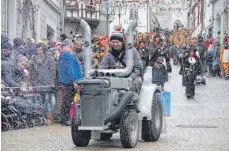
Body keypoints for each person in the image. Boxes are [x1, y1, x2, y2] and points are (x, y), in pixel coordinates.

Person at [30, 44, 57, 125]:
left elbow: (53, 70)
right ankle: (42, 117)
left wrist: (52, 82)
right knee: (40, 101)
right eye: (37, 50)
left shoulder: (49, 58)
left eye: (40, 50)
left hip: (47, 83)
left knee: (48, 100)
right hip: (38, 83)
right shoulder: (34, 59)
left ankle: (49, 117)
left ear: (44, 50)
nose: (39, 52)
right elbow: (33, 71)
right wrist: (33, 82)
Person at [57, 39, 82, 126]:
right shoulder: (67, 54)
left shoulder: (68, 53)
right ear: (69, 45)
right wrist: (74, 81)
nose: (73, 45)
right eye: (72, 44)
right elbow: (70, 69)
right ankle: (65, 118)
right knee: (67, 100)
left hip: (69, 81)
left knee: (68, 100)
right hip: (69, 81)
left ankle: (64, 118)